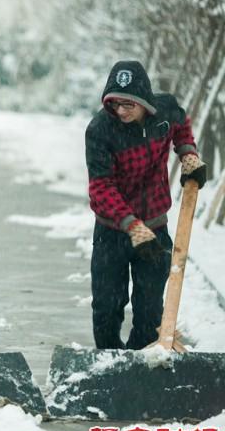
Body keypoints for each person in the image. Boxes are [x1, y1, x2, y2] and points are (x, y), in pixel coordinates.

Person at [85, 60, 206, 350]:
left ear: (144, 102)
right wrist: (132, 226)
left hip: (154, 226)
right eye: (115, 103)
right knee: (106, 308)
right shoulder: (100, 130)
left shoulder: (164, 111)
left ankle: (141, 363)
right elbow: (101, 187)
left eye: (128, 104)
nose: (121, 111)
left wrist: (188, 153)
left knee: (150, 312)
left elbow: (181, 125)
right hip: (113, 232)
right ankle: (109, 363)